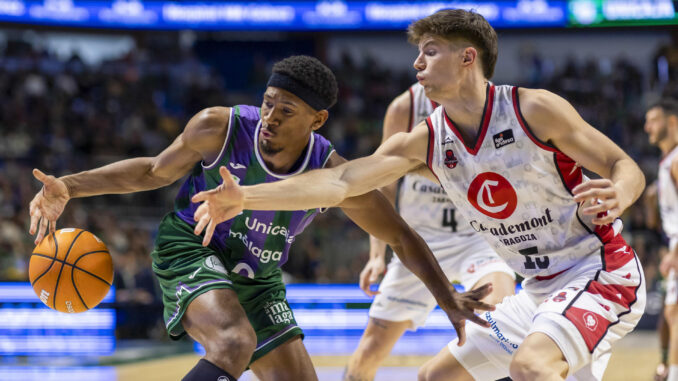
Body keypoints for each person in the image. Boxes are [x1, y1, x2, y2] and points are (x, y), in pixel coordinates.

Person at [191, 10, 647, 381]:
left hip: (600, 269)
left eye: (430, 52)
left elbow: (625, 166)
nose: (416, 64)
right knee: (434, 378)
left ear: (468, 58)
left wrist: (620, 192)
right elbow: (343, 183)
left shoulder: (533, 107)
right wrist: (246, 197)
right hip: (538, 288)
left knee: (530, 367)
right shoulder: (426, 138)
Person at [27, 55, 495, 381]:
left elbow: (400, 234)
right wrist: (71, 185)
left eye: (286, 110)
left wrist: (448, 300)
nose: (270, 116)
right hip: (191, 246)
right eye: (268, 101)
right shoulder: (219, 126)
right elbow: (151, 172)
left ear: (317, 120)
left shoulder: (332, 174)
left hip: (258, 275)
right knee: (233, 343)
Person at [345, 82, 515, 381]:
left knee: (498, 319)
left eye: (432, 51)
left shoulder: (497, 104)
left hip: (477, 238)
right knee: (369, 352)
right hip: (418, 241)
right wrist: (376, 255)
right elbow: (383, 183)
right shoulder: (405, 106)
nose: (421, 62)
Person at [645, 99, 678, 381]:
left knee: (674, 312)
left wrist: (675, 252)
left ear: (671, 122)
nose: (647, 127)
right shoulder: (666, 163)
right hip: (671, 244)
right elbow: (656, 224)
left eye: (653, 120)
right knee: (670, 312)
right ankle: (667, 367)